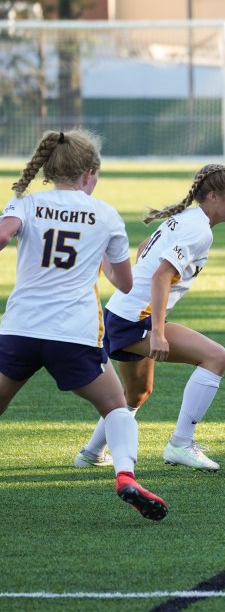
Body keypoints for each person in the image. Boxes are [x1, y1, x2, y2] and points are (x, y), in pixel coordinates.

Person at [0, 130, 167, 520]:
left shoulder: (26, 203)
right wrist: (101, 259)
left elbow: (4, 235)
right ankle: (125, 475)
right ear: (90, 173)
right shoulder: (106, 215)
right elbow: (125, 284)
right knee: (116, 407)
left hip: (20, 329)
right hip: (73, 334)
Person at [73, 164, 225, 473]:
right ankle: (181, 443)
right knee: (216, 357)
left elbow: (144, 249)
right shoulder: (199, 229)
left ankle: (91, 452)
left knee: (137, 392)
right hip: (134, 321)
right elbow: (161, 276)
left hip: (119, 314)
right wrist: (158, 331)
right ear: (215, 196)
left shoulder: (187, 219)